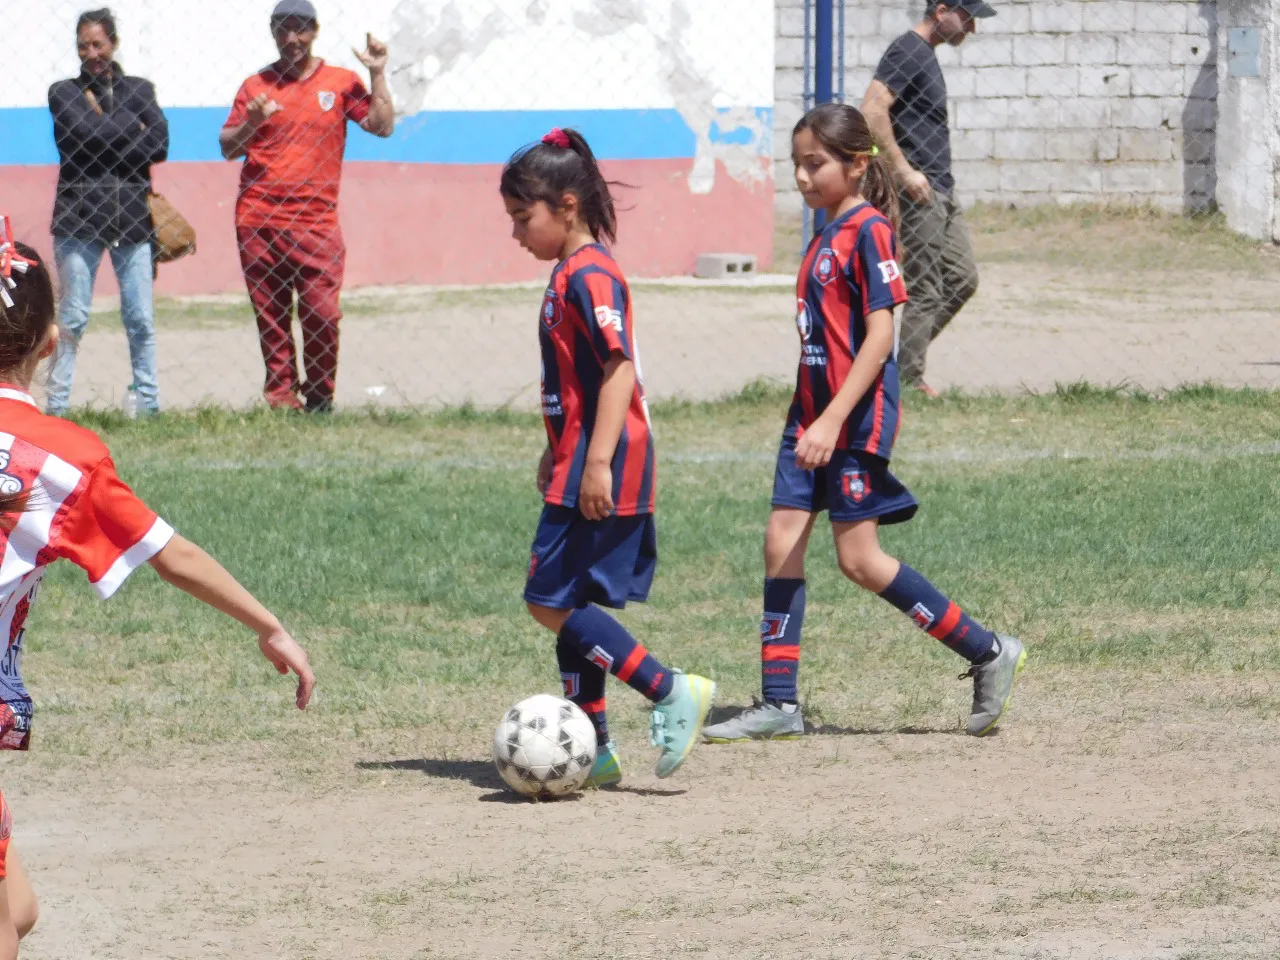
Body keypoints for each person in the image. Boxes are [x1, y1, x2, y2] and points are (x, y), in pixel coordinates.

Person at [0, 217, 315, 959]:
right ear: (52, 341)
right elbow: (172, 555)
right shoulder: (60, 460)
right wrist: (270, 625)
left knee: (19, 909)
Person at [701, 104, 1025, 745]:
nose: (800, 176)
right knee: (780, 540)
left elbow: (881, 336)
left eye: (814, 163)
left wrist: (831, 420)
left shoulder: (869, 230)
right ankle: (780, 704)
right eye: (795, 162)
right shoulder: (823, 234)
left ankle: (988, 651)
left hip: (849, 422)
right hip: (810, 418)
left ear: (855, 165)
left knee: (860, 559)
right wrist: (808, 417)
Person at [500, 128, 715, 785]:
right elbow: (577, 378)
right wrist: (554, 446)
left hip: (607, 460)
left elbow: (618, 371)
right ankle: (596, 746)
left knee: (547, 600)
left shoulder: (591, 275)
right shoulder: (570, 272)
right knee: (577, 600)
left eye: (522, 218)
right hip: (582, 454)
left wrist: (594, 464)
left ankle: (670, 689)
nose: (516, 235)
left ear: (567, 205)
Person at [219, 0, 395, 413]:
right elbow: (228, 147)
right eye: (283, 30)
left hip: (316, 222)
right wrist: (253, 123)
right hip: (258, 218)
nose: (291, 39)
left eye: (300, 30)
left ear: (315, 31)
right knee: (271, 316)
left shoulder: (340, 81)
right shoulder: (255, 86)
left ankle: (319, 397)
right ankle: (281, 398)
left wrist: (378, 72)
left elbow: (382, 126)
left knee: (322, 312)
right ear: (273, 33)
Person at [860, 0, 997, 398]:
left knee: (963, 279)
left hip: (941, 188)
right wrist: (903, 171)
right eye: (968, 18)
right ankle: (906, 380)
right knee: (926, 290)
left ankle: (893, 367)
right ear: (941, 10)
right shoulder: (907, 50)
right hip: (920, 189)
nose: (972, 29)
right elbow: (871, 110)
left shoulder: (924, 55)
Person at [46, 7, 168, 416]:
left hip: (132, 220)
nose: (91, 53)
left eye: (98, 43)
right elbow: (78, 138)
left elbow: (161, 144)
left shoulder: (140, 89)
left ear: (113, 43)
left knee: (140, 320)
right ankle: (57, 408)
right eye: (83, 45)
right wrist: (132, 130)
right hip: (78, 219)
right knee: (74, 318)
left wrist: (104, 138)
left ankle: (149, 407)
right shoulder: (63, 92)